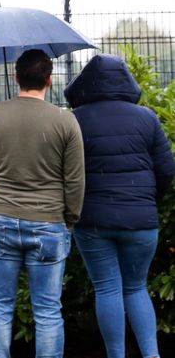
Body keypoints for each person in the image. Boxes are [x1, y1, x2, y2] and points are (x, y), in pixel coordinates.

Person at [0, 49, 85, 358]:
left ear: (16, 77)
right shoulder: (66, 120)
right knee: (47, 310)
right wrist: (69, 220)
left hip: (2, 218)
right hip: (50, 223)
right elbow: (75, 181)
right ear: (49, 79)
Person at [64, 54, 175, 358]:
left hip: (92, 221)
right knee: (137, 287)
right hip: (141, 221)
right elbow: (166, 168)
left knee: (107, 289)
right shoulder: (147, 117)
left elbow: (64, 171)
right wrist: (147, 202)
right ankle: (151, 355)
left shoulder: (75, 119)